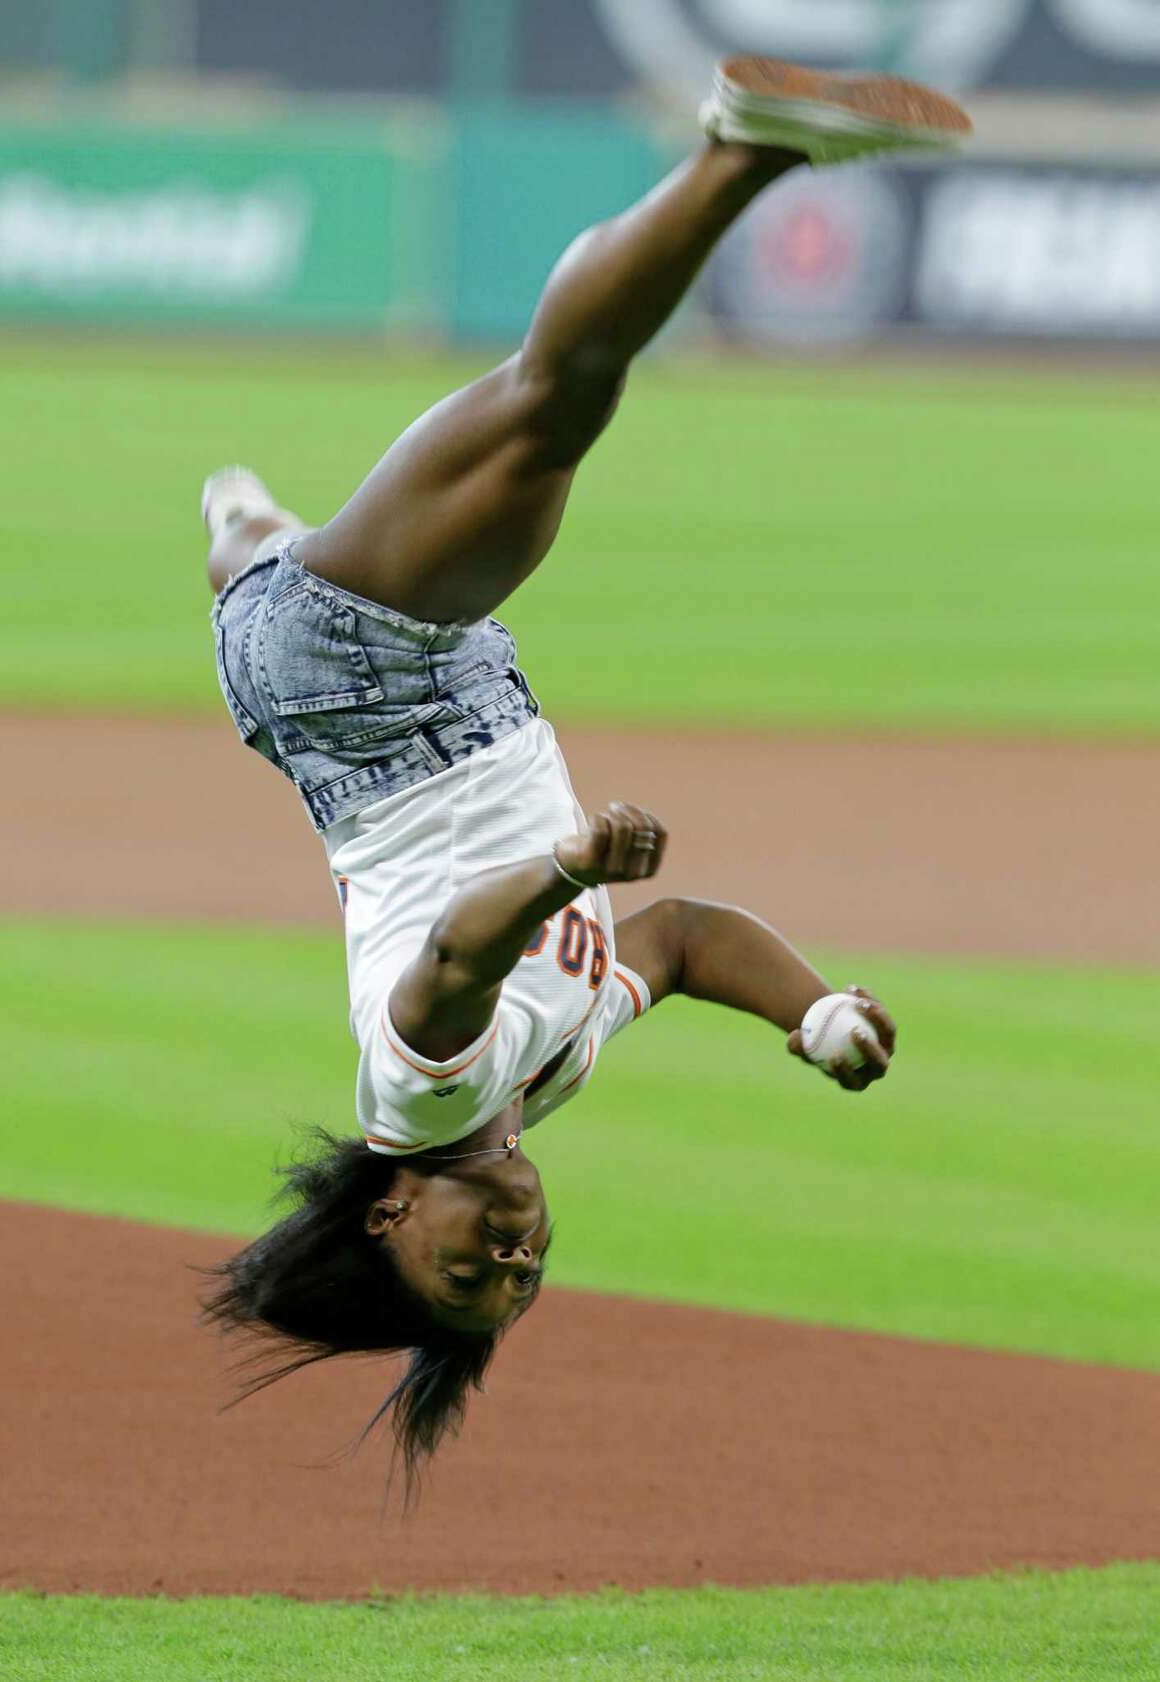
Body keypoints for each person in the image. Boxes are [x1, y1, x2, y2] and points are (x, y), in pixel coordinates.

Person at [201, 58, 970, 1488]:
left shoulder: (421, 1105)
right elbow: (675, 943)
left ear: (390, 1219)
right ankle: (241, 532)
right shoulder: (544, 1075)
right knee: (453, 466)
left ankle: (746, 150)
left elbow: (448, 956)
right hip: (372, 683)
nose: (511, 1258)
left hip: (372, 684)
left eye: (464, 1276)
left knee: (557, 399)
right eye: (518, 1286)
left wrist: (563, 866)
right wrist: (811, 1017)